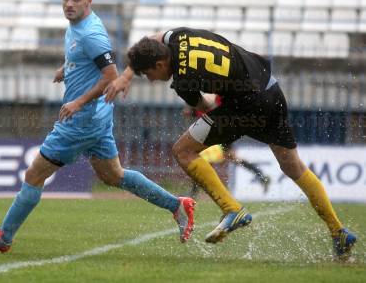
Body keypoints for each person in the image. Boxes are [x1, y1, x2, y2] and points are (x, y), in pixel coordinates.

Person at [0, 0, 196, 253]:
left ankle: (4, 236)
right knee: (114, 176)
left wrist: (78, 102)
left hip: (80, 121)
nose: (69, 3)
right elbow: (85, 59)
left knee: (34, 174)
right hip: (97, 120)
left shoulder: (91, 34)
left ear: (89, 1)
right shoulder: (76, 26)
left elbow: (111, 76)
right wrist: (67, 69)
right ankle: (177, 205)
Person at [104, 27, 357, 259]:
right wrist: (128, 73)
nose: (149, 79)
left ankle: (231, 209)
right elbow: (155, 37)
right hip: (271, 88)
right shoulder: (176, 36)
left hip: (247, 106)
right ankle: (338, 231)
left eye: (148, 74)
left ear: (160, 63)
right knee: (294, 167)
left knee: (183, 151)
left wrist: (207, 107)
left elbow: (204, 107)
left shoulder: (183, 81)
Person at [183, 96, 270, 198]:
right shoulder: (200, 106)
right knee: (218, 159)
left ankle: (194, 194)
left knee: (207, 160)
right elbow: (189, 111)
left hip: (219, 133)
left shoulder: (211, 101)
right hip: (215, 133)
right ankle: (261, 175)